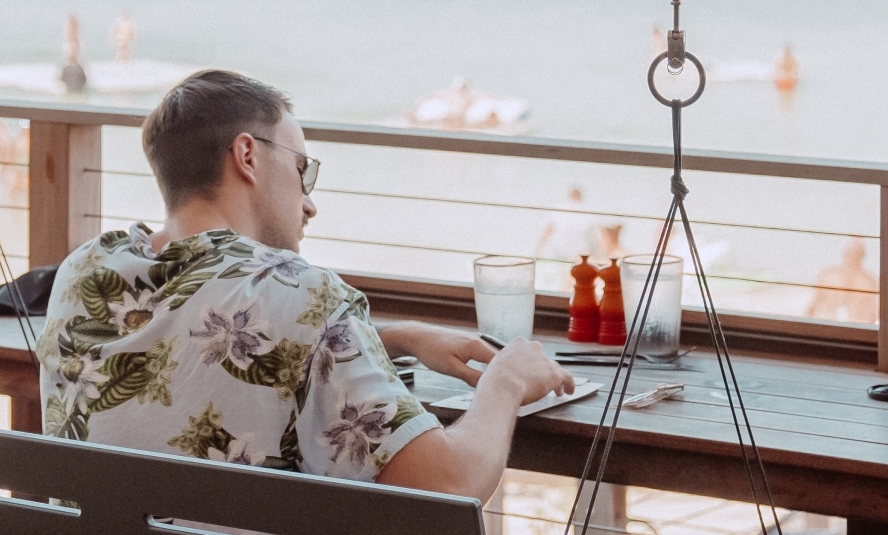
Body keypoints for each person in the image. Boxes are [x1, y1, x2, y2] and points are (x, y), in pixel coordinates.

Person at [38, 69, 574, 501]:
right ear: (247, 156)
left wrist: (391, 336)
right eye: (301, 170)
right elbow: (450, 485)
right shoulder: (303, 293)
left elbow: (195, 341)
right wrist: (505, 381)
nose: (310, 201)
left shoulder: (85, 271)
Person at [806, 238, 878, 324]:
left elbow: (875, 316)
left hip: (852, 329)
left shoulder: (870, 282)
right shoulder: (828, 277)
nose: (854, 256)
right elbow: (812, 308)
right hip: (834, 327)